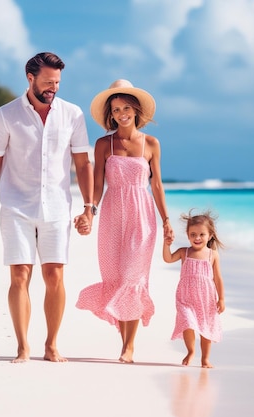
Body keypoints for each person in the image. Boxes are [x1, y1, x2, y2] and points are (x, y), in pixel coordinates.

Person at [0, 52, 94, 363]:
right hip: (16, 206)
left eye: (56, 82)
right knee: (19, 275)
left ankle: (52, 344)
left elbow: (82, 163)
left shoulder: (73, 114)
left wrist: (89, 207)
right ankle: (22, 347)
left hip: (57, 207)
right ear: (29, 78)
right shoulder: (6, 114)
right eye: (47, 82)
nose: (52, 88)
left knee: (55, 275)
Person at [75, 79, 173, 363]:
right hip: (111, 216)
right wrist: (89, 211)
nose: (122, 113)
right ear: (111, 114)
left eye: (126, 108)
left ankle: (128, 347)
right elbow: (97, 184)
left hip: (142, 217)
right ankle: (125, 342)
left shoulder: (152, 144)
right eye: (116, 109)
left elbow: (157, 186)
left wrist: (166, 220)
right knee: (117, 280)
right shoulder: (104, 144)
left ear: (136, 110)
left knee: (134, 278)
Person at [163, 210, 225, 368]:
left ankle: (205, 359)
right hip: (186, 298)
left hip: (206, 299)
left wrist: (222, 298)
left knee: (206, 329)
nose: (197, 238)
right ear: (187, 234)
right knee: (187, 323)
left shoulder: (213, 255)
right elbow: (168, 259)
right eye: (193, 234)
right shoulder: (185, 252)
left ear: (210, 235)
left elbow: (218, 278)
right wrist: (166, 244)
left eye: (202, 234)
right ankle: (190, 351)